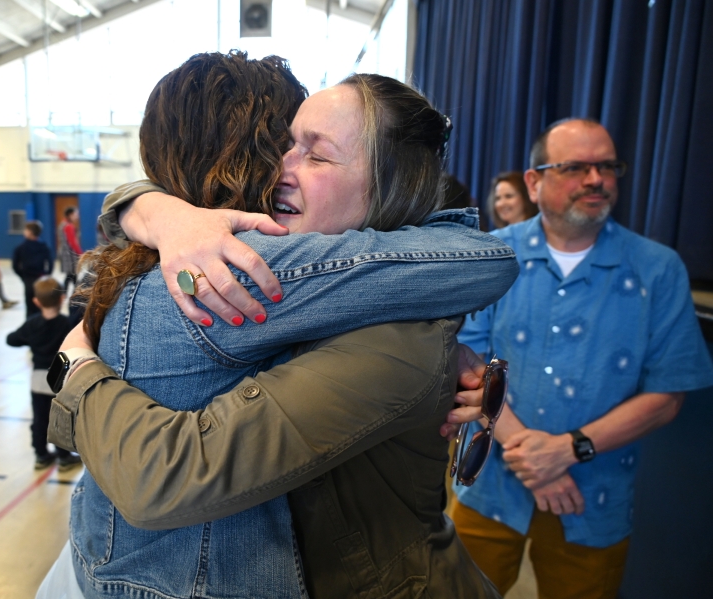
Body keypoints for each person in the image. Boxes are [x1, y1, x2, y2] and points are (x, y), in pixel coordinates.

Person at [41, 53, 516, 599]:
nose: (283, 168)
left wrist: (75, 366)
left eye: (317, 156)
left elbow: (165, 476)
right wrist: (156, 210)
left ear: (385, 188)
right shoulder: (227, 267)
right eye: (286, 144)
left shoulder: (391, 330)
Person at [450, 118, 713, 599]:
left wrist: (567, 450)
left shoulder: (657, 270)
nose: (596, 180)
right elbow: (467, 361)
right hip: (489, 485)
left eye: (607, 166)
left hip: (593, 498)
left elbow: (667, 394)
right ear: (534, 181)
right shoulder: (492, 256)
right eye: (575, 167)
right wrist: (529, 450)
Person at [5, 276, 82, 471]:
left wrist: (30, 340)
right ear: (62, 298)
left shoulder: (32, 325)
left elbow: (11, 339)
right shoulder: (67, 325)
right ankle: (64, 456)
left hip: (38, 380)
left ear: (36, 301)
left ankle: (41, 455)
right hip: (60, 378)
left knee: (39, 419)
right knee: (60, 419)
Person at [12, 221, 53, 318]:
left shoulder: (20, 248)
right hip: (41, 277)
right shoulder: (44, 246)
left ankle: (30, 326)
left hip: (28, 278)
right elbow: (50, 264)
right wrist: (46, 275)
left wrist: (23, 276)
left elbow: (15, 265)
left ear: (30, 232)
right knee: (42, 304)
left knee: (30, 306)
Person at [57, 206, 82, 294]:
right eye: (76, 214)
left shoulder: (62, 224)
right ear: (70, 215)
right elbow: (73, 242)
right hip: (70, 255)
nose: (77, 216)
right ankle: (71, 293)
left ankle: (68, 293)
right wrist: (80, 253)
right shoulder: (68, 226)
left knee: (71, 275)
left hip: (64, 253)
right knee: (71, 275)